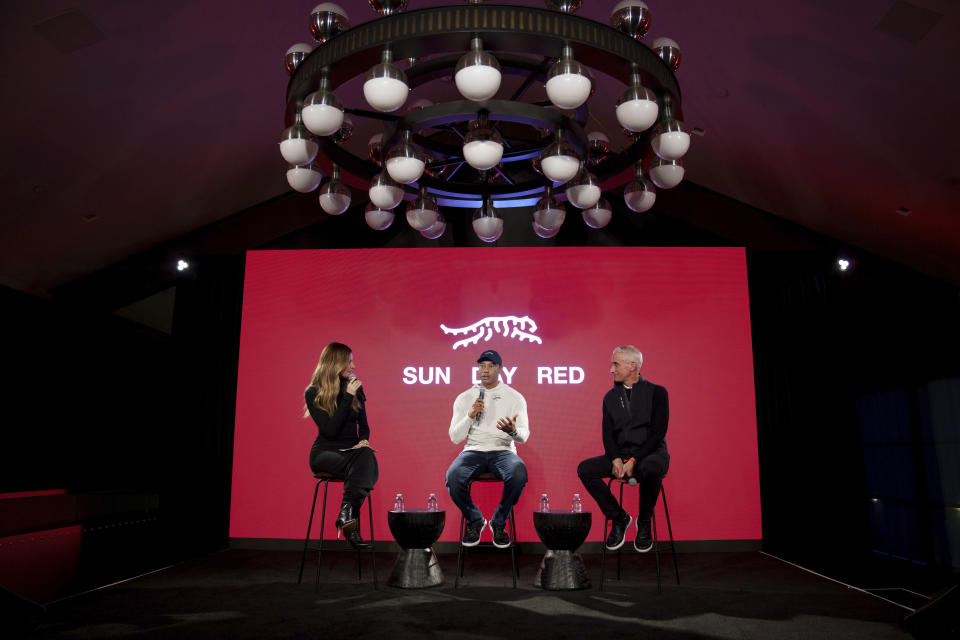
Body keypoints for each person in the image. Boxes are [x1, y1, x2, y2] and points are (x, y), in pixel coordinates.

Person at [577, 345, 669, 552]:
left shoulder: (657, 393)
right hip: (622, 455)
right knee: (585, 469)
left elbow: (658, 433)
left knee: (652, 468)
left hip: (651, 453)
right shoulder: (610, 397)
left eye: (616, 364)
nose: (611, 369)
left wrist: (634, 460)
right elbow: (607, 435)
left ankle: (644, 523)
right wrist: (616, 459)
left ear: (632, 366)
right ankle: (619, 517)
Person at [445, 349, 530, 548]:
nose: (485, 370)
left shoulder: (514, 397)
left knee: (519, 473)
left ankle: (499, 522)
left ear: (500, 369)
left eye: (491, 366)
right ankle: (475, 520)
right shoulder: (465, 398)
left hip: (503, 450)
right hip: (473, 450)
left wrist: (513, 432)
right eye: (482, 366)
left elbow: (524, 436)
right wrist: (470, 415)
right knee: (453, 477)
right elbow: (455, 437)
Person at [304, 342, 378, 549]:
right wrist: (347, 397)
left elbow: (364, 426)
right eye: (349, 361)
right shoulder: (313, 392)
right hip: (325, 453)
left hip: (352, 453)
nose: (353, 366)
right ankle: (349, 521)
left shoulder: (356, 388)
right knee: (364, 461)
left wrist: (364, 439)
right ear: (335, 363)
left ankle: (346, 516)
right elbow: (330, 430)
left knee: (366, 453)